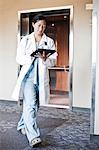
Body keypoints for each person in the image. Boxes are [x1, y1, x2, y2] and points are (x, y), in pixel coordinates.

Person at [12, 14, 57, 147]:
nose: (41, 28)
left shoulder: (49, 41)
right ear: (33, 25)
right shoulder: (25, 40)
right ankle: (33, 136)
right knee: (30, 105)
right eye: (38, 25)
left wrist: (45, 60)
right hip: (28, 78)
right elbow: (18, 59)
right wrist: (31, 56)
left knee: (34, 106)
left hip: (41, 78)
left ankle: (22, 125)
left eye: (43, 25)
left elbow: (53, 61)